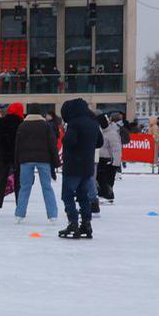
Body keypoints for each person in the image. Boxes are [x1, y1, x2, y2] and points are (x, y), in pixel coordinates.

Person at [58, 98, 102, 239]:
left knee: (68, 195)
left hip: (73, 166)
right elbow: (99, 142)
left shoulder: (74, 124)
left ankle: (73, 222)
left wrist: (64, 138)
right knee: (83, 196)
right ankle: (86, 223)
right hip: (87, 166)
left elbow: (70, 142)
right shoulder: (93, 123)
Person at [12, 109, 59, 223]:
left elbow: (17, 145)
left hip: (25, 160)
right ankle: (52, 215)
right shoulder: (46, 126)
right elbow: (52, 144)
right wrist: (56, 161)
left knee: (24, 187)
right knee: (47, 187)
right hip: (44, 159)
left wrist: (16, 161)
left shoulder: (22, 126)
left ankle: (19, 214)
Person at [0, 102, 24, 215]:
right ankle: (20, 206)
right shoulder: (21, 123)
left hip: (2, 155)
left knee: (1, 180)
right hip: (17, 155)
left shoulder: (1, 122)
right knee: (18, 182)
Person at [95, 113, 122, 206]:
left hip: (108, 160)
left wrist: (116, 163)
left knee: (107, 179)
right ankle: (102, 194)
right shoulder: (101, 131)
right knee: (99, 178)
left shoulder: (112, 133)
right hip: (100, 158)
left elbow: (117, 149)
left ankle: (109, 196)